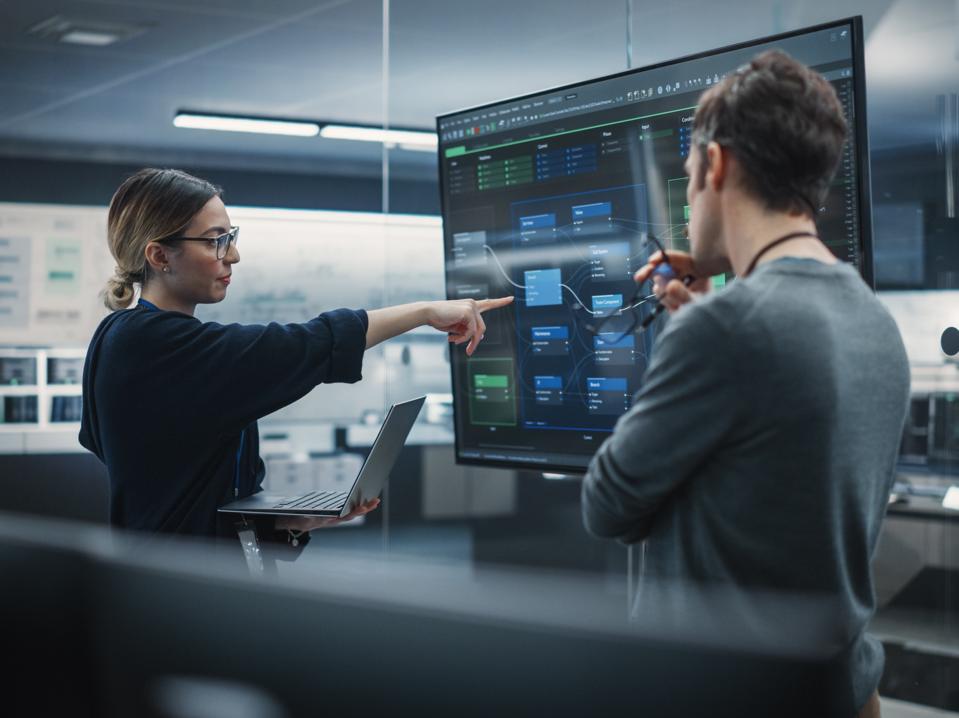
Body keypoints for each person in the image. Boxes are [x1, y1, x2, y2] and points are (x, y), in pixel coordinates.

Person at [580, 51, 909, 718]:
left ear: (717, 165)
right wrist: (708, 312)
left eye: (687, 176)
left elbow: (605, 505)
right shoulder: (874, 322)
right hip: (838, 693)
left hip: (717, 694)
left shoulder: (724, 333)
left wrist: (689, 332)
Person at [79, 167, 512, 558]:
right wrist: (424, 312)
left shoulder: (127, 337)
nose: (233, 256)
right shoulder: (151, 343)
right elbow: (306, 345)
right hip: (176, 591)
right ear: (159, 256)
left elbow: (184, 483)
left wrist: (291, 521)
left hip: (201, 582)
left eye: (232, 237)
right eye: (216, 241)